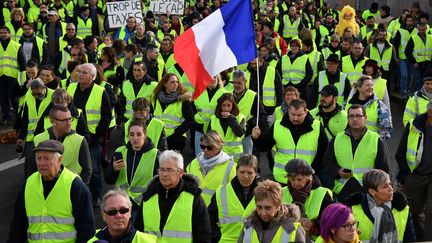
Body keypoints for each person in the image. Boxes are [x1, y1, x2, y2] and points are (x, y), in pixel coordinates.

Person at [7, 140, 95, 242]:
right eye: (38, 158)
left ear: (60, 160)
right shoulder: (29, 183)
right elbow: (18, 225)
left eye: (47, 158)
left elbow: (86, 230)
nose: (42, 163)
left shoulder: (75, 186)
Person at [134, 150, 212, 242]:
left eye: (170, 170)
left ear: (180, 172)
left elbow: (203, 234)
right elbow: (138, 231)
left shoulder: (193, 198)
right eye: (162, 169)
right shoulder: (148, 196)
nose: (164, 174)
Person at [252, 99, 328, 184]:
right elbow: (264, 146)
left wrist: (314, 171)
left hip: (305, 179)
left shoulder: (317, 126)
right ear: (288, 111)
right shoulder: (277, 125)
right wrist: (257, 138)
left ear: (306, 112)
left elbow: (324, 152)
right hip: (282, 178)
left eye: (299, 115)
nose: (295, 118)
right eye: (293, 114)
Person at [67, 63, 112, 207]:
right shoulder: (71, 88)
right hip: (73, 135)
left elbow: (106, 116)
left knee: (93, 170)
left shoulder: (100, 91)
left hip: (92, 138)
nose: (80, 74)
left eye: (84, 72)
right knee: (72, 167)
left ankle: (94, 197)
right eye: (79, 71)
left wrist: (98, 136)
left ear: (92, 76)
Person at [323, 104, 389, 198]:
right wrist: (337, 171)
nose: (354, 119)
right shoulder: (337, 138)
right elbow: (326, 162)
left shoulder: (376, 140)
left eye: (358, 116)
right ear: (347, 118)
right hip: (341, 192)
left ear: (365, 118)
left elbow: (384, 170)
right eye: (351, 116)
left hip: (367, 193)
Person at [105, 118, 159, 218]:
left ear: (145, 135)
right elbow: (108, 179)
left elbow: (159, 184)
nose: (135, 138)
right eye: (131, 134)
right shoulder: (120, 151)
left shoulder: (155, 155)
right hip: (121, 205)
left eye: (139, 134)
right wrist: (113, 170)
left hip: (141, 207)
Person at [346, 169, 416, 242]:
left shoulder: (403, 209)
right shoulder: (352, 210)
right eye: (385, 187)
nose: (391, 189)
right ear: (372, 191)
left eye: (390, 184)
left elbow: (410, 240)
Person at [396, 101, 432, 241]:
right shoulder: (413, 126)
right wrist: (406, 175)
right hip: (415, 175)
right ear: (429, 113)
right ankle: (418, 238)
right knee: (412, 211)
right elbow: (400, 152)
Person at [31, 105, 92, 184]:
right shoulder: (38, 139)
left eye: (70, 119)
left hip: (71, 187)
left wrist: (80, 188)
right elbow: (32, 169)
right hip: (44, 186)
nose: (69, 123)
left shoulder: (80, 140)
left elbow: (87, 170)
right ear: (53, 122)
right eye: (64, 120)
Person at [208, 154, 259, 243]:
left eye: (250, 173)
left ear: (256, 173)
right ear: (236, 171)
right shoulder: (221, 193)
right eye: (242, 172)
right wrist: (217, 238)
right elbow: (208, 220)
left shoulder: (264, 193)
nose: (246, 176)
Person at [238, 179, 307, 242]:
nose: (263, 213)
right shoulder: (248, 226)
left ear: (278, 206)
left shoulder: (293, 230)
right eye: (259, 207)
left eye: (268, 208)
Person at [282, 159, 333, 237]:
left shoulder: (323, 193)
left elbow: (332, 221)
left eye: (299, 179)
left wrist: (313, 225)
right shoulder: (282, 192)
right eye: (292, 179)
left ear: (308, 178)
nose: (296, 183)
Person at [16, 78, 54, 177]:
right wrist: (21, 137)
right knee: (29, 166)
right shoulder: (29, 96)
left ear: (44, 88)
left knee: (46, 165)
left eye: (39, 94)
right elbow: (25, 118)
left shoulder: (53, 96)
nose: (36, 96)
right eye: (34, 94)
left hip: (47, 136)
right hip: (31, 137)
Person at [186, 130, 236, 206]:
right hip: (195, 210)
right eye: (202, 147)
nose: (205, 150)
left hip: (217, 212)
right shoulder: (193, 163)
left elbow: (234, 195)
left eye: (209, 147)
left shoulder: (231, 167)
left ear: (219, 146)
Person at [88, 189, 157, 242]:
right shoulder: (91, 239)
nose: (118, 215)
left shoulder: (150, 241)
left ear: (130, 212)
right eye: (112, 211)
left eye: (123, 210)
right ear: (103, 215)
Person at [151, 73, 194, 152]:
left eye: (177, 82)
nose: (176, 84)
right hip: (158, 137)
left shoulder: (183, 100)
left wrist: (175, 134)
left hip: (176, 140)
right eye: (172, 82)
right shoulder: (156, 98)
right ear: (165, 84)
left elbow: (190, 120)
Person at [345, 75, 392, 139]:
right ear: (359, 87)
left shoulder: (379, 105)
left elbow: (385, 130)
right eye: (367, 85)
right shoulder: (348, 103)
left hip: (370, 144)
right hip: (349, 143)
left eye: (371, 85)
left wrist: (377, 143)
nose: (371, 87)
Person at [232, 69, 267, 155]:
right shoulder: (228, 94)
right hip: (230, 135)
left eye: (239, 83)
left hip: (246, 135)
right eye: (234, 82)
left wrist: (249, 124)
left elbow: (261, 116)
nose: (236, 85)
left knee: (246, 162)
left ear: (245, 81)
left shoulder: (253, 96)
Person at [193, 74, 228, 155]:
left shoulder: (224, 93)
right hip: (200, 129)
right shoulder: (198, 91)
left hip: (216, 132)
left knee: (215, 157)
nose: (212, 79)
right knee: (200, 157)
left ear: (218, 79)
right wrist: (195, 124)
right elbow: (193, 109)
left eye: (215, 77)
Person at [205, 93, 246, 159]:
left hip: (235, 157)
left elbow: (240, 133)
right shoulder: (214, 119)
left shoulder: (240, 117)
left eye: (229, 105)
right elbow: (208, 138)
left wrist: (231, 118)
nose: (226, 108)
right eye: (223, 105)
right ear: (220, 106)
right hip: (218, 157)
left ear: (233, 106)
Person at [0, 25, 24, 125]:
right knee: (3, 98)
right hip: (1, 76)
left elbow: (22, 62)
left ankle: (19, 116)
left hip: (13, 77)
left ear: (9, 34)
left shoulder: (16, 45)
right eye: (1, 33)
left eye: (5, 32)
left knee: (14, 98)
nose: (3, 34)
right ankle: (6, 117)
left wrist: (22, 79)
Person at [393, 14, 416, 99]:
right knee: (404, 75)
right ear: (405, 22)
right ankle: (403, 91)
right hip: (402, 57)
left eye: (411, 21)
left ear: (413, 22)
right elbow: (396, 44)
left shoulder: (416, 31)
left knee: (410, 76)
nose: (409, 22)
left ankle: (408, 90)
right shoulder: (400, 31)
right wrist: (396, 57)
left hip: (412, 57)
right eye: (407, 21)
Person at [405, 23, 432, 93]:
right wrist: (413, 62)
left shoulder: (430, 37)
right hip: (417, 64)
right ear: (418, 29)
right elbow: (407, 51)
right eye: (420, 29)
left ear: (426, 29)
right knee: (418, 82)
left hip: (428, 64)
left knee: (427, 82)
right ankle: (419, 96)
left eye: (424, 29)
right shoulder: (413, 38)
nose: (422, 31)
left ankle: (427, 96)